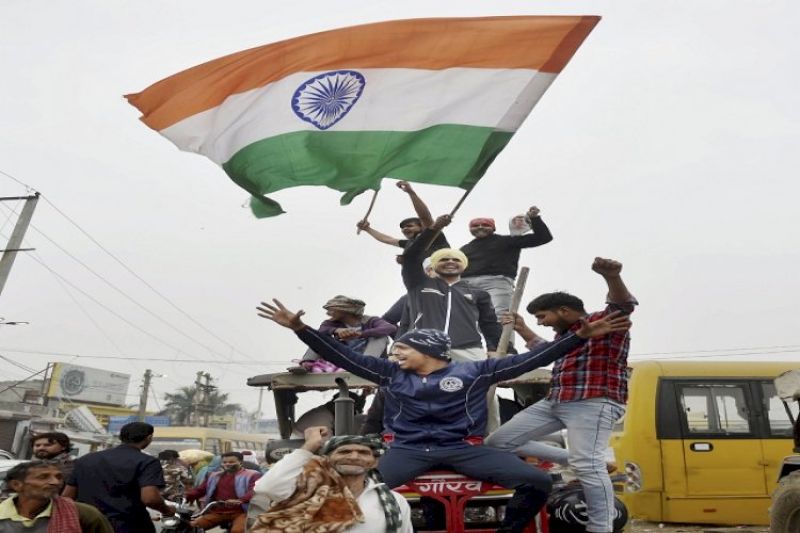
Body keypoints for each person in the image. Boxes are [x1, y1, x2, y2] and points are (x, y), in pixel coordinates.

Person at [256, 299, 631, 532]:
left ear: (429, 351)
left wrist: (579, 338)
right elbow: (342, 356)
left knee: (537, 481)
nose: (395, 354)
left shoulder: (476, 372)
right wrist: (301, 328)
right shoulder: (390, 374)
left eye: (403, 349)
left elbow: (536, 357)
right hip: (407, 449)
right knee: (344, 489)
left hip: (463, 448)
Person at [486, 257, 637, 533]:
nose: (541, 322)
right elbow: (544, 350)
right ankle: (573, 458)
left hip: (593, 401)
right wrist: (521, 328)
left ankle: (600, 528)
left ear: (564, 311)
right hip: (556, 401)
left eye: (542, 316)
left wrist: (612, 277)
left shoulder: (601, 323)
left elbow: (622, 305)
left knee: (588, 466)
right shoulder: (565, 337)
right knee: (498, 442)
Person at [251, 426, 412, 532]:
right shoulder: (305, 493)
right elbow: (266, 488)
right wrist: (309, 446)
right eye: (344, 451)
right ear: (327, 459)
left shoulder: (394, 501)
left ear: (374, 462)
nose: (354, 457)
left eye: (363, 453)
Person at [401, 215, 500, 362]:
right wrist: (433, 229)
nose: (450, 262)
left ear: (464, 265)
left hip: (469, 351)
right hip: (424, 348)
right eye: (444, 259)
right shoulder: (419, 284)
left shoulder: (479, 293)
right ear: (433, 265)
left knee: (478, 378)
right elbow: (410, 258)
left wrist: (494, 349)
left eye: (456, 259)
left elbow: (489, 324)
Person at [63, 422, 175, 533]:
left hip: (88, 525)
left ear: (121, 437)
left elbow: (67, 497)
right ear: (149, 438)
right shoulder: (147, 462)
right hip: (128, 526)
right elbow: (150, 499)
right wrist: (167, 510)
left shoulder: (85, 459)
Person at [460, 206, 553, 317]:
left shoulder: (508, 241)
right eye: (475, 225)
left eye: (485, 225)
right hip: (466, 284)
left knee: (498, 316)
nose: (480, 227)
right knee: (464, 317)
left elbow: (543, 237)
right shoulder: (464, 249)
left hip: (496, 283)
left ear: (493, 228)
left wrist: (534, 219)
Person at [0, 461, 112, 532]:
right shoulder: (2, 511)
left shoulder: (84, 514)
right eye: (43, 477)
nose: (55, 482)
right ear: (16, 485)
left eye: (58, 477)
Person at [357, 181, 449, 260]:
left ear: (421, 227)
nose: (405, 229)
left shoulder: (433, 235)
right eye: (403, 228)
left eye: (410, 226)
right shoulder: (410, 244)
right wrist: (367, 229)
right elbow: (387, 239)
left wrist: (411, 193)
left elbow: (425, 217)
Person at [184, 451, 261, 533]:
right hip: (218, 512)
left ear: (240, 462)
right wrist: (187, 496)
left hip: (242, 512)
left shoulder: (253, 475)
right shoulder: (213, 476)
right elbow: (200, 490)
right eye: (224, 462)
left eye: (231, 462)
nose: (227, 464)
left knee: (238, 531)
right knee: (191, 526)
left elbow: (254, 491)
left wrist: (241, 500)